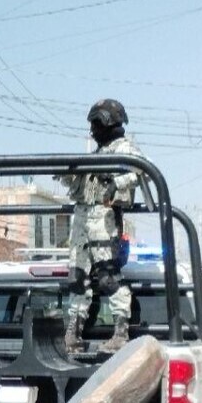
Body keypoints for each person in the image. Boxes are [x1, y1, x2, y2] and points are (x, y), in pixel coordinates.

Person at [61, 99, 144, 355]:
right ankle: (73, 332)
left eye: (96, 124)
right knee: (77, 278)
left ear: (110, 122)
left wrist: (115, 183)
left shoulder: (125, 148)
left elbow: (140, 171)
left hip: (104, 217)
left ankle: (121, 331)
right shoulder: (96, 153)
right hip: (83, 216)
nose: (93, 131)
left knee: (107, 276)